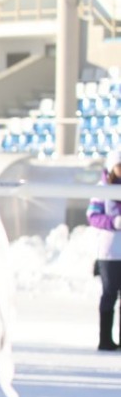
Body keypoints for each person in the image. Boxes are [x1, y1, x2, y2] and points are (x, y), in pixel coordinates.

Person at [90, 150, 121, 351]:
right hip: (109, 253)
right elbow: (93, 216)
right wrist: (114, 222)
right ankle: (105, 339)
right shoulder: (102, 189)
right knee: (109, 294)